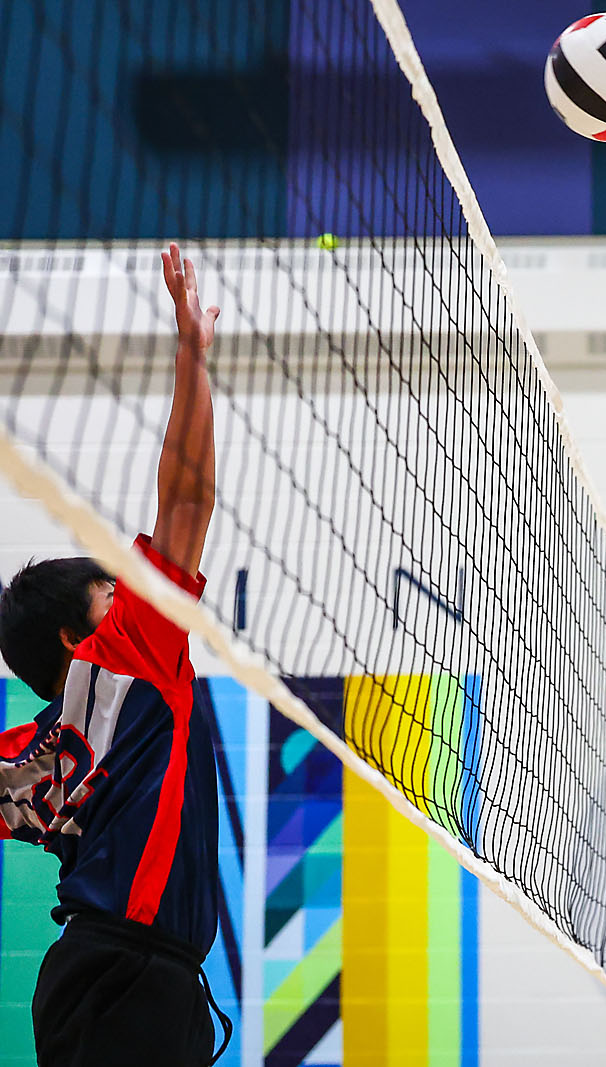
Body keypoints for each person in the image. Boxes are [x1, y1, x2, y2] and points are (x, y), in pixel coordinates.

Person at [0, 244, 230, 1066]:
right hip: (129, 984)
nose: (126, 592)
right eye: (108, 589)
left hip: (107, 984)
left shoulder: (31, 751)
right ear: (78, 634)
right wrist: (192, 352)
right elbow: (189, 497)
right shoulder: (131, 654)